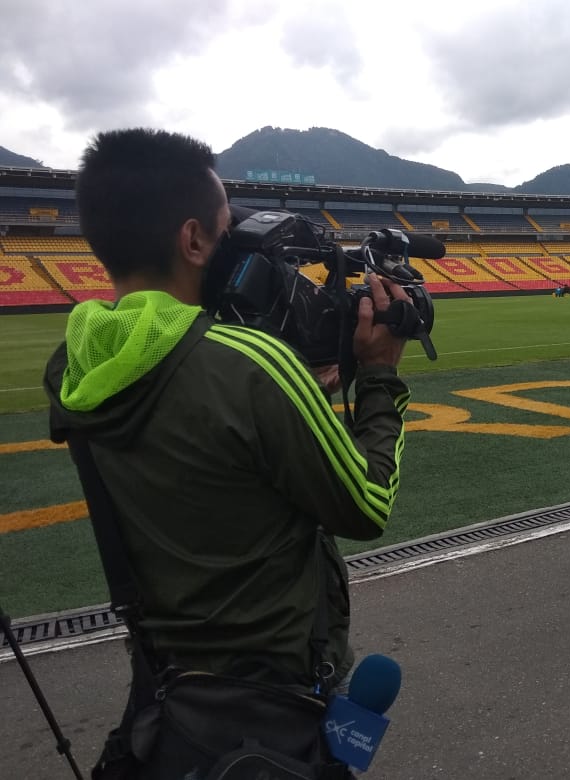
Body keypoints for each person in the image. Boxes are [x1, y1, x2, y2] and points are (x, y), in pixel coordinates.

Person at [42, 129, 412, 767]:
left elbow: (201, 448)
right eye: (226, 231)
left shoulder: (72, 364)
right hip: (275, 696)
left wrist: (294, 390)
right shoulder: (251, 367)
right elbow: (367, 504)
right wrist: (377, 376)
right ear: (192, 241)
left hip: (166, 692)